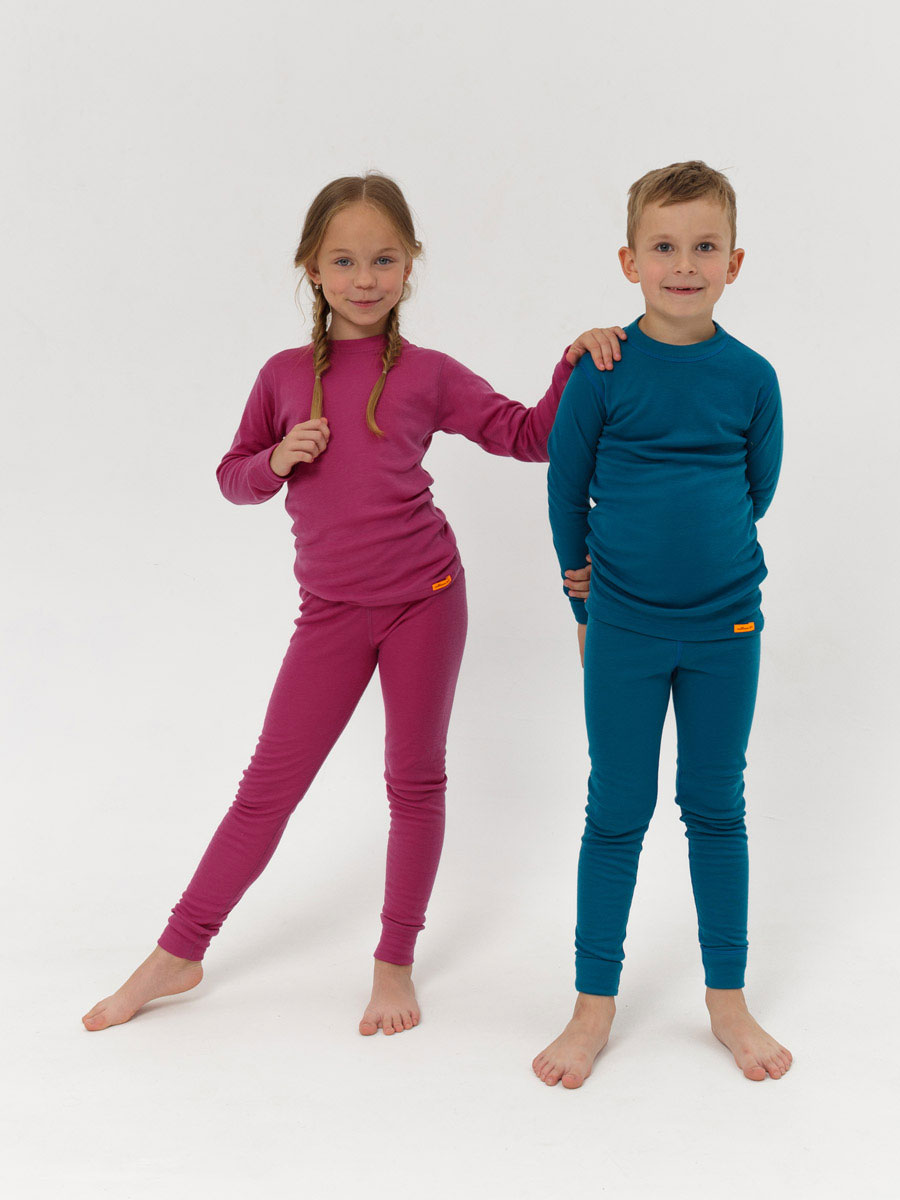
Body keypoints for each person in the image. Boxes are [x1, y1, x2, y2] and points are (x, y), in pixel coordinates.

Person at [82, 172, 624, 1036]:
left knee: (414, 780)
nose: (364, 278)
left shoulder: (429, 373)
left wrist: (571, 362)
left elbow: (529, 436)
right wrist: (276, 461)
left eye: (383, 259)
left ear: (410, 266)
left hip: (425, 601)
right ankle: (178, 953)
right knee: (267, 788)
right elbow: (232, 477)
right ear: (311, 267)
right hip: (331, 613)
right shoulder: (282, 375)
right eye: (343, 260)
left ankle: (393, 962)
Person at [534, 160, 792, 1087]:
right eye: (665, 247)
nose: (685, 265)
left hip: (727, 631)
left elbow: (755, 490)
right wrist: (585, 606)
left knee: (717, 808)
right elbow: (566, 492)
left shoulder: (752, 377)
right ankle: (591, 1006)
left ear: (734, 263)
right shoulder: (602, 369)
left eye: (705, 246)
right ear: (630, 260)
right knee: (616, 811)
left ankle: (727, 1000)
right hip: (625, 632)